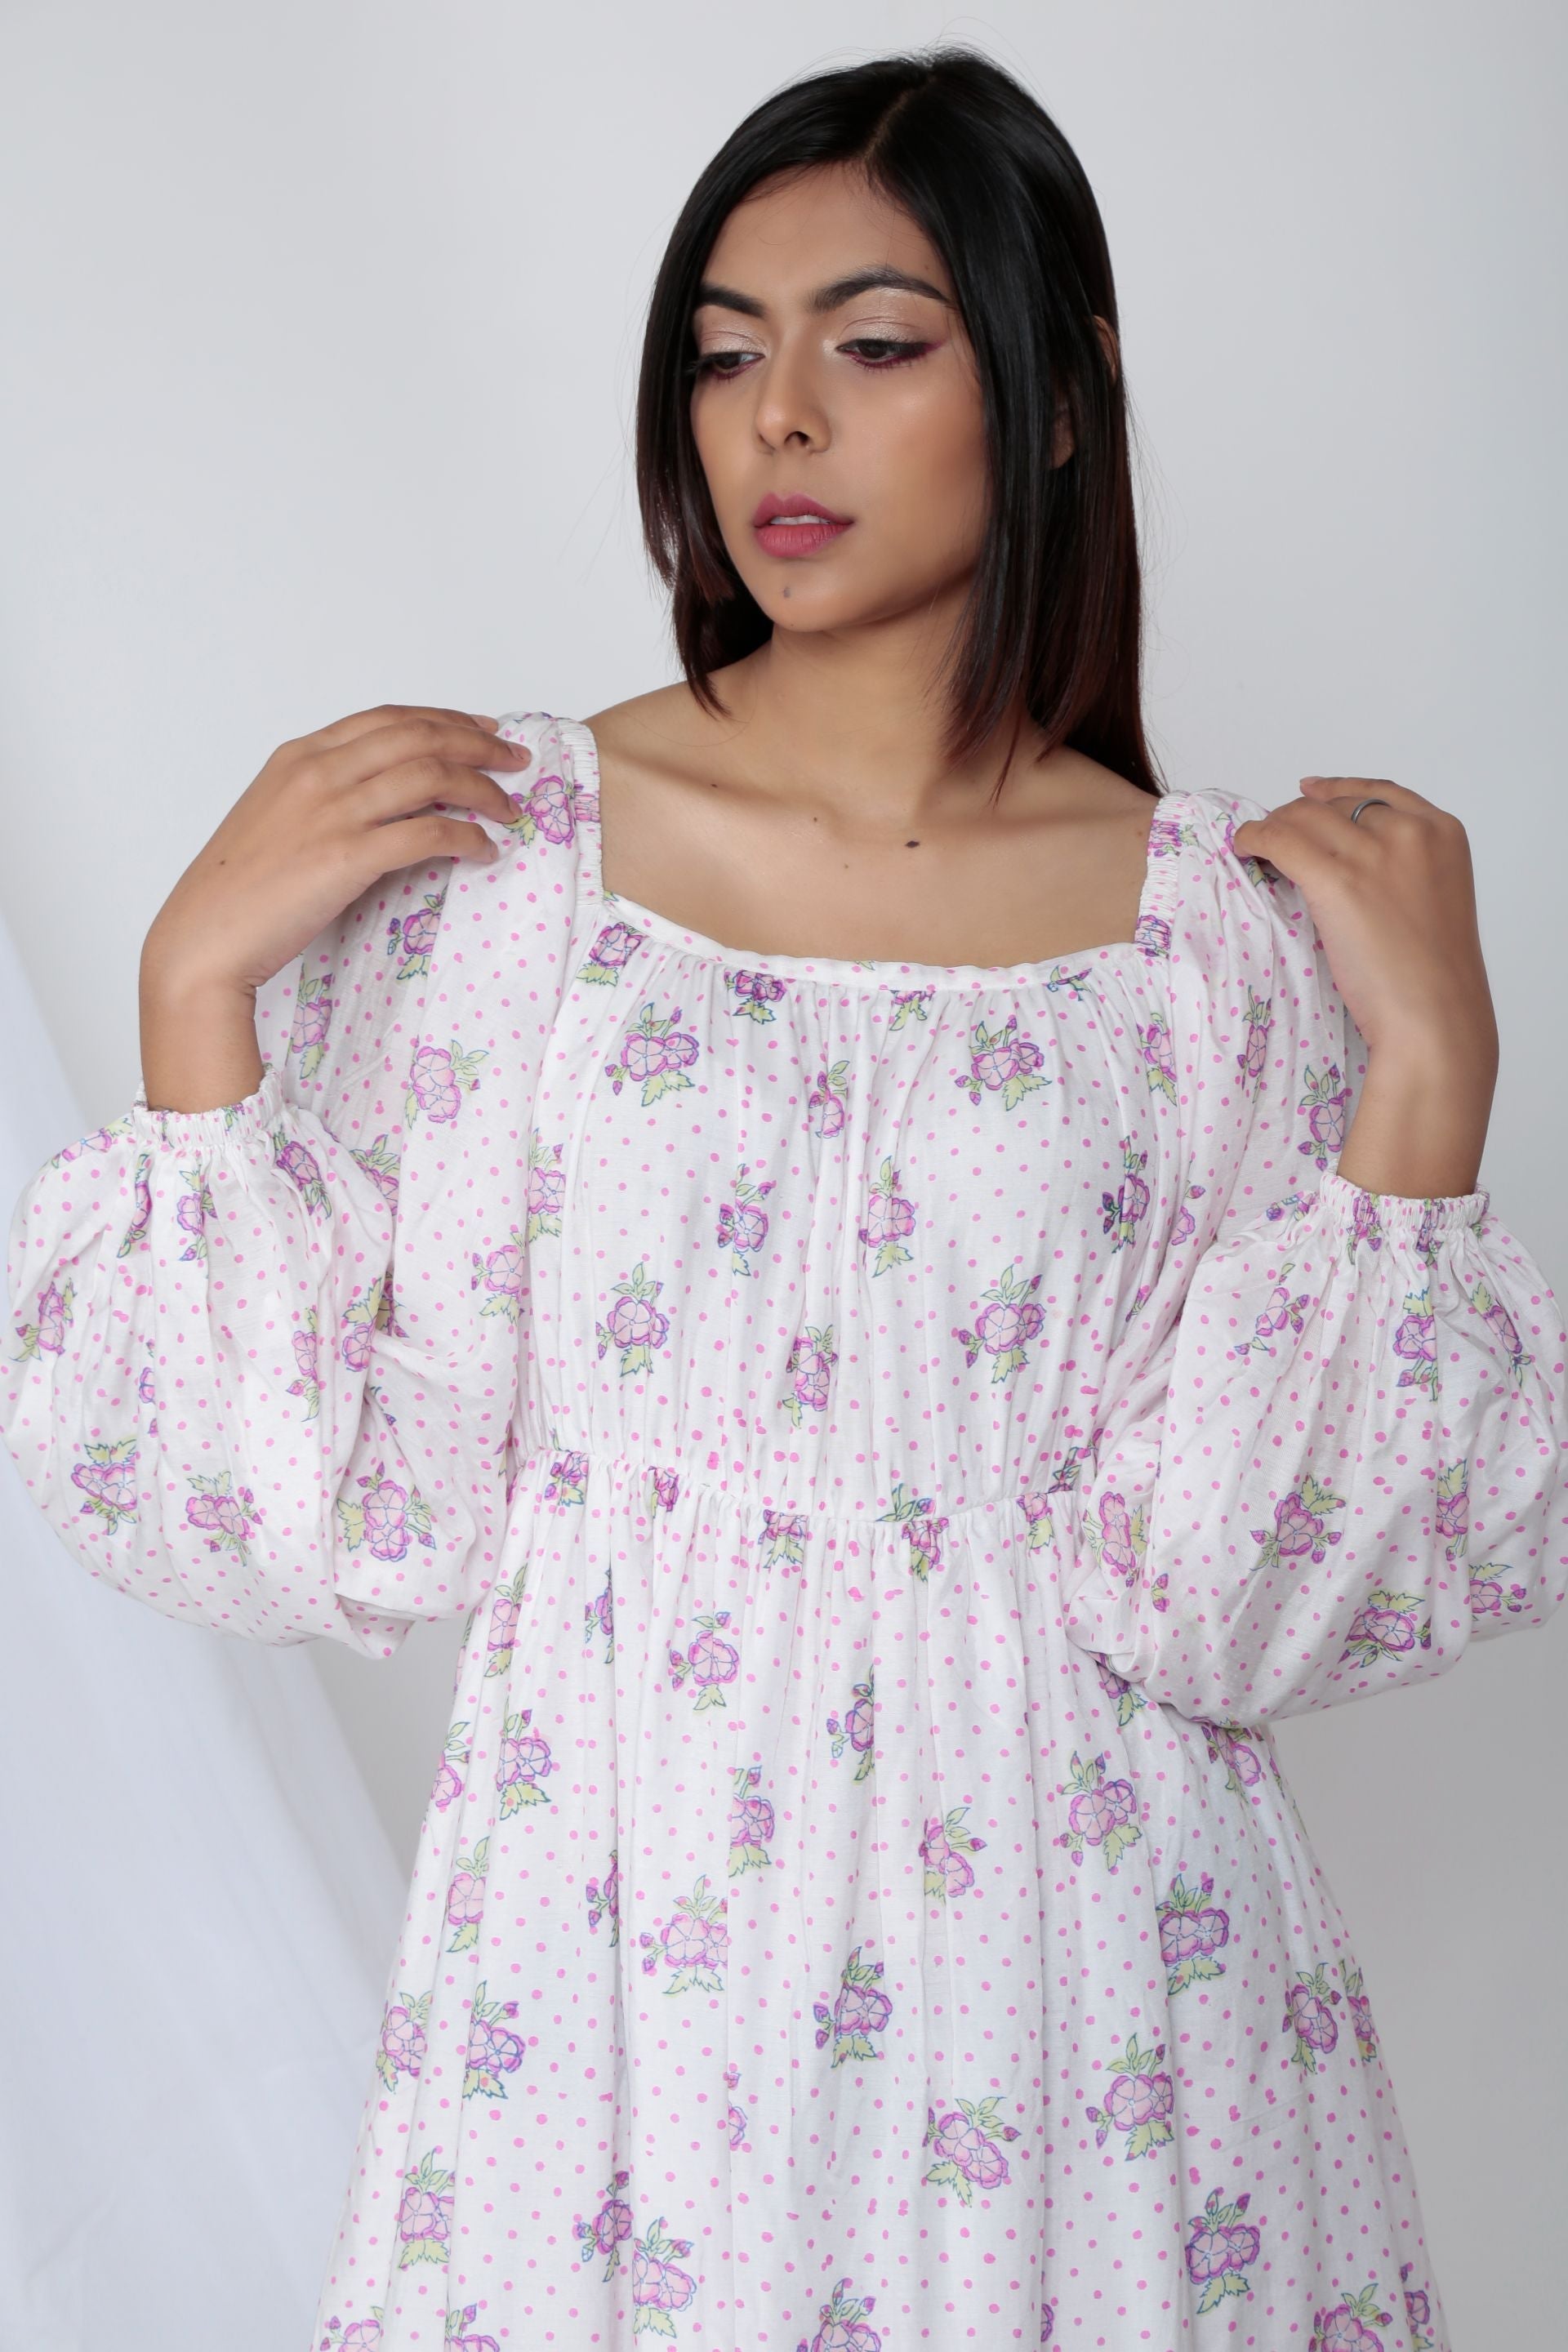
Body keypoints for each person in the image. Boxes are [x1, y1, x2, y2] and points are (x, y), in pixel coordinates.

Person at [3, 45, 1562, 2352]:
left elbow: (1233, 1606)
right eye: (724, 356)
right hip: (614, 1990)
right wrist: (191, 998)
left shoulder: (1221, 945)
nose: (781, 422)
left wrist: (1429, 1083)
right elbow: (322, 1513)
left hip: (1108, 2021)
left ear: (1058, 396)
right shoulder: (497, 879)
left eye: (876, 342)